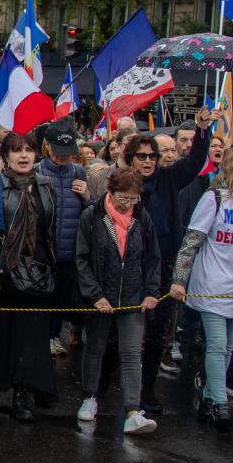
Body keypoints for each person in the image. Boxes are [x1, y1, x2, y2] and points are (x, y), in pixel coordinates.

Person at [119, 112, 212, 413]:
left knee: (156, 334)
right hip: (129, 268)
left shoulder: (169, 179)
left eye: (152, 156)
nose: (148, 161)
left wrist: (202, 130)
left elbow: (195, 161)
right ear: (131, 159)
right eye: (142, 156)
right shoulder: (122, 185)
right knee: (124, 333)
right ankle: (105, 390)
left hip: (162, 268)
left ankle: (146, 390)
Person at [0, 131, 57, 421]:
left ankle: (22, 395)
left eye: (29, 150)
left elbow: (50, 228)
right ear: (5, 156)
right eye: (17, 150)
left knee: (30, 337)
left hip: (35, 270)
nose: (24, 156)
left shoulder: (45, 185)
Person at [75, 166, 161, 434]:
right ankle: (90, 397)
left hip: (133, 296)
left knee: (132, 353)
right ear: (110, 192)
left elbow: (153, 258)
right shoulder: (92, 216)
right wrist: (95, 295)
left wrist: (151, 291)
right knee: (95, 347)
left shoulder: (142, 216)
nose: (128, 204)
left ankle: (133, 411)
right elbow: (82, 259)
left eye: (133, 198)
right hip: (101, 296)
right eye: (123, 198)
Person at [170, 145, 233, 433]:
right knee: (217, 344)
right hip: (210, 284)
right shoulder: (214, 199)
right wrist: (179, 280)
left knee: (228, 348)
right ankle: (220, 403)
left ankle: (208, 396)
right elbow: (191, 242)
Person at [38, 118, 89, 358]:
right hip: (42, 250)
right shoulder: (37, 171)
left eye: (67, 151)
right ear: (47, 146)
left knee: (61, 297)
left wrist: (88, 197)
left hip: (69, 250)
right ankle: (39, 337)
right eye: (58, 150)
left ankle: (54, 335)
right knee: (41, 298)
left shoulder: (79, 172)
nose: (62, 156)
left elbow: (90, 213)